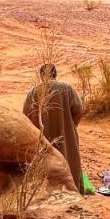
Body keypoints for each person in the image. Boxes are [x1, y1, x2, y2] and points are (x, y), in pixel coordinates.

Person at [23, 64, 87, 194]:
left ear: (41, 76)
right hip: (66, 135)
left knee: (44, 163)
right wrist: (70, 126)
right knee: (70, 160)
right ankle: (74, 191)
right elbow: (79, 110)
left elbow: (25, 117)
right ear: (55, 74)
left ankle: (45, 193)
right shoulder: (67, 88)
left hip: (42, 138)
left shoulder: (33, 92)